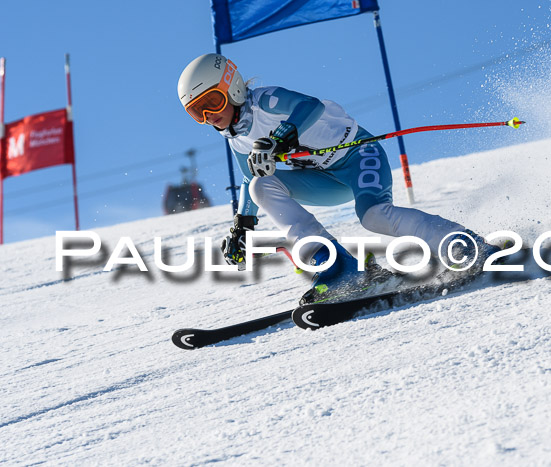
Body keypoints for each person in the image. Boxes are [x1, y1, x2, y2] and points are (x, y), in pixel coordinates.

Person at [177, 53, 499, 303]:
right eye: (197, 112)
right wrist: (242, 225)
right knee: (261, 183)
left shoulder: (266, 101)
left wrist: (284, 135)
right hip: (323, 180)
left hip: (359, 158)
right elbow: (252, 179)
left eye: (212, 103)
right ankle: (339, 268)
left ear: (231, 86)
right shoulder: (236, 139)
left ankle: (465, 245)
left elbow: (309, 106)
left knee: (374, 217)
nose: (209, 116)